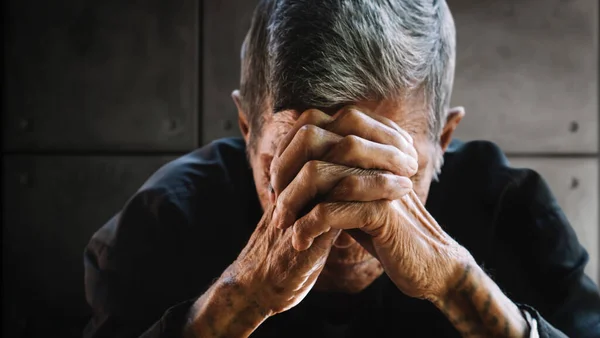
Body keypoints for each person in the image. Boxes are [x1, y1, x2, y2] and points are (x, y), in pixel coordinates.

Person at [83, 0, 600, 337]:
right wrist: (239, 299)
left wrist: (456, 282)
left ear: (443, 139)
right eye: (295, 168)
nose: (345, 224)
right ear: (247, 129)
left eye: (383, 169)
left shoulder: (512, 211)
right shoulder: (164, 222)